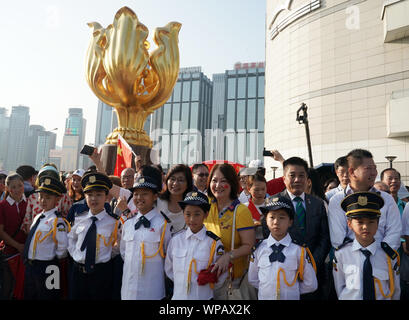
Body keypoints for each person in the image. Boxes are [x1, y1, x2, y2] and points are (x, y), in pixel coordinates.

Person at [271, 156, 330, 299]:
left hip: (315, 272)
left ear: (307, 179)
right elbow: (270, 236)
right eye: (292, 176)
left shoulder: (317, 203)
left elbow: (324, 237)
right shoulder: (273, 203)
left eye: (301, 176)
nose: (297, 180)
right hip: (285, 271)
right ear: (284, 179)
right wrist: (293, 263)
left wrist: (311, 263)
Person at [328, 149, 401, 251]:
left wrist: (378, 255)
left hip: (382, 260)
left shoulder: (386, 199)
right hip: (349, 261)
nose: (374, 173)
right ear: (352, 172)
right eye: (368, 169)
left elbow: (394, 233)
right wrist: (359, 257)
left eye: (374, 168)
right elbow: (338, 238)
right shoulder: (337, 201)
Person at [332, 192, 400, 300]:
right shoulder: (341, 254)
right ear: (349, 224)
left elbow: (395, 291)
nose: (365, 227)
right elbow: (340, 289)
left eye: (371, 222)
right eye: (360, 222)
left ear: (378, 224)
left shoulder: (388, 256)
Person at [248, 196, 318, 300]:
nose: (276, 222)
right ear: (266, 221)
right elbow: (253, 279)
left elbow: (311, 284)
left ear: (290, 222)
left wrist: (292, 291)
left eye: (282, 217)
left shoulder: (299, 250)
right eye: (272, 217)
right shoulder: (259, 249)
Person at [204, 163, 256, 300]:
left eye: (224, 181)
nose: (218, 185)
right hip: (205, 278)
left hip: (230, 282)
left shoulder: (241, 211)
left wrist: (228, 256)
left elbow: (248, 246)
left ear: (232, 183)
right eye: (214, 180)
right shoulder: (206, 206)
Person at [165, 191, 227, 300]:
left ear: (206, 214)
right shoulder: (176, 240)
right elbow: (169, 269)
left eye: (197, 214)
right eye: (188, 214)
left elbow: (221, 276)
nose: (192, 219)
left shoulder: (214, 243)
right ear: (183, 213)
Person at [67, 172, 120, 300]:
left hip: (101, 273)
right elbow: (71, 239)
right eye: (89, 195)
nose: (93, 199)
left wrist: (106, 255)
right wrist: (76, 254)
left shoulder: (113, 222)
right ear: (84, 196)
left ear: (106, 197)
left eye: (98, 195)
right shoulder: (80, 218)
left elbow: (118, 246)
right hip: (78, 271)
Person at [120, 172, 171, 300]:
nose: (139, 197)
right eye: (136, 194)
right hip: (128, 291)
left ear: (154, 196)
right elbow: (124, 252)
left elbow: (169, 257)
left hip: (152, 290)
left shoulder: (162, 225)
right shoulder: (128, 224)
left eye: (144, 194)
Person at [23, 175, 70, 300]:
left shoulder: (57, 221)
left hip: (48, 267)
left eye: (48, 198)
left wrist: (52, 259)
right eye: (41, 196)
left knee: (48, 296)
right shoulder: (39, 217)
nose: (43, 200)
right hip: (32, 265)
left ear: (57, 200)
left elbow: (63, 247)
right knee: (30, 295)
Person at [22, 164, 73, 233]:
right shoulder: (32, 197)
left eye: (52, 176)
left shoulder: (63, 197)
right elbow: (27, 221)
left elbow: (68, 219)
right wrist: (31, 237)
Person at [0, 173, 27, 299]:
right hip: (9, 253)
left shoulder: (29, 203)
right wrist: (17, 245)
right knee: (8, 287)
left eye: (20, 186)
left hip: (26, 253)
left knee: (23, 287)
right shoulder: (2, 206)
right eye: (13, 187)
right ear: (7, 188)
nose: (17, 190)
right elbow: (1, 232)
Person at [157, 164, 193, 234]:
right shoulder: (157, 202)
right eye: (172, 179)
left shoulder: (192, 206)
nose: (175, 183)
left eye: (181, 180)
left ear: (188, 184)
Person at [244, 174, 268, 241]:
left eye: (263, 189)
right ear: (249, 189)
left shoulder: (272, 206)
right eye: (256, 190)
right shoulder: (244, 208)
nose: (260, 193)